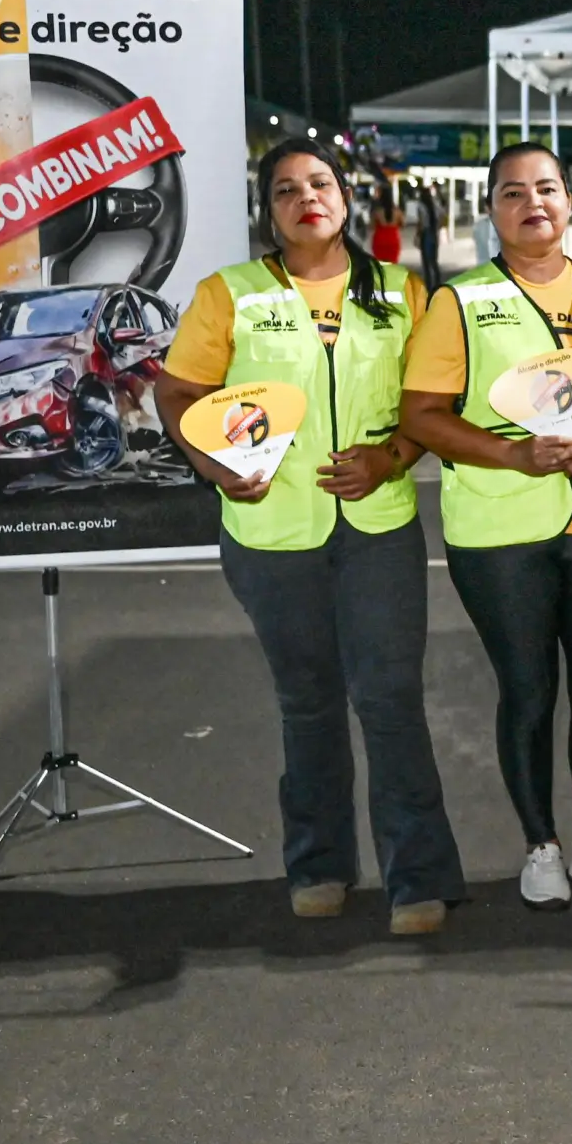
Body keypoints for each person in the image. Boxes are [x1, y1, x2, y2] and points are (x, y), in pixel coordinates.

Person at [155, 137, 466, 936]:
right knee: (309, 703)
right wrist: (215, 465)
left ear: (346, 196)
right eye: (286, 188)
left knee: (391, 699)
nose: (306, 198)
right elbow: (179, 390)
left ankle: (418, 879)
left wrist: (393, 455)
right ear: (270, 210)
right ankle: (319, 863)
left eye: (319, 183)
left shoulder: (405, 292)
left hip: (378, 527)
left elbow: (432, 404)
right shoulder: (230, 293)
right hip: (270, 530)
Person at [400, 141, 572, 914]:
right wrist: (513, 455)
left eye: (546, 188)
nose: (532, 203)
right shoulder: (459, 301)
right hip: (499, 525)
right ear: (492, 210)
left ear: (570, 202)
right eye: (512, 192)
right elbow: (422, 414)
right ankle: (540, 848)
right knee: (528, 690)